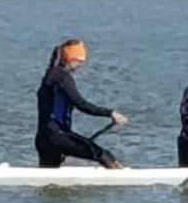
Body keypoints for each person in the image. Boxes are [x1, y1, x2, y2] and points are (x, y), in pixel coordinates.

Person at [35, 39, 128, 169]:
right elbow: (81, 104)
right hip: (58, 137)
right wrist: (110, 113)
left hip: (43, 139)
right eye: (79, 61)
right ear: (69, 58)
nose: (81, 65)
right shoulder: (62, 77)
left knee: (50, 182)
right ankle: (121, 178)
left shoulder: (50, 76)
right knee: (103, 155)